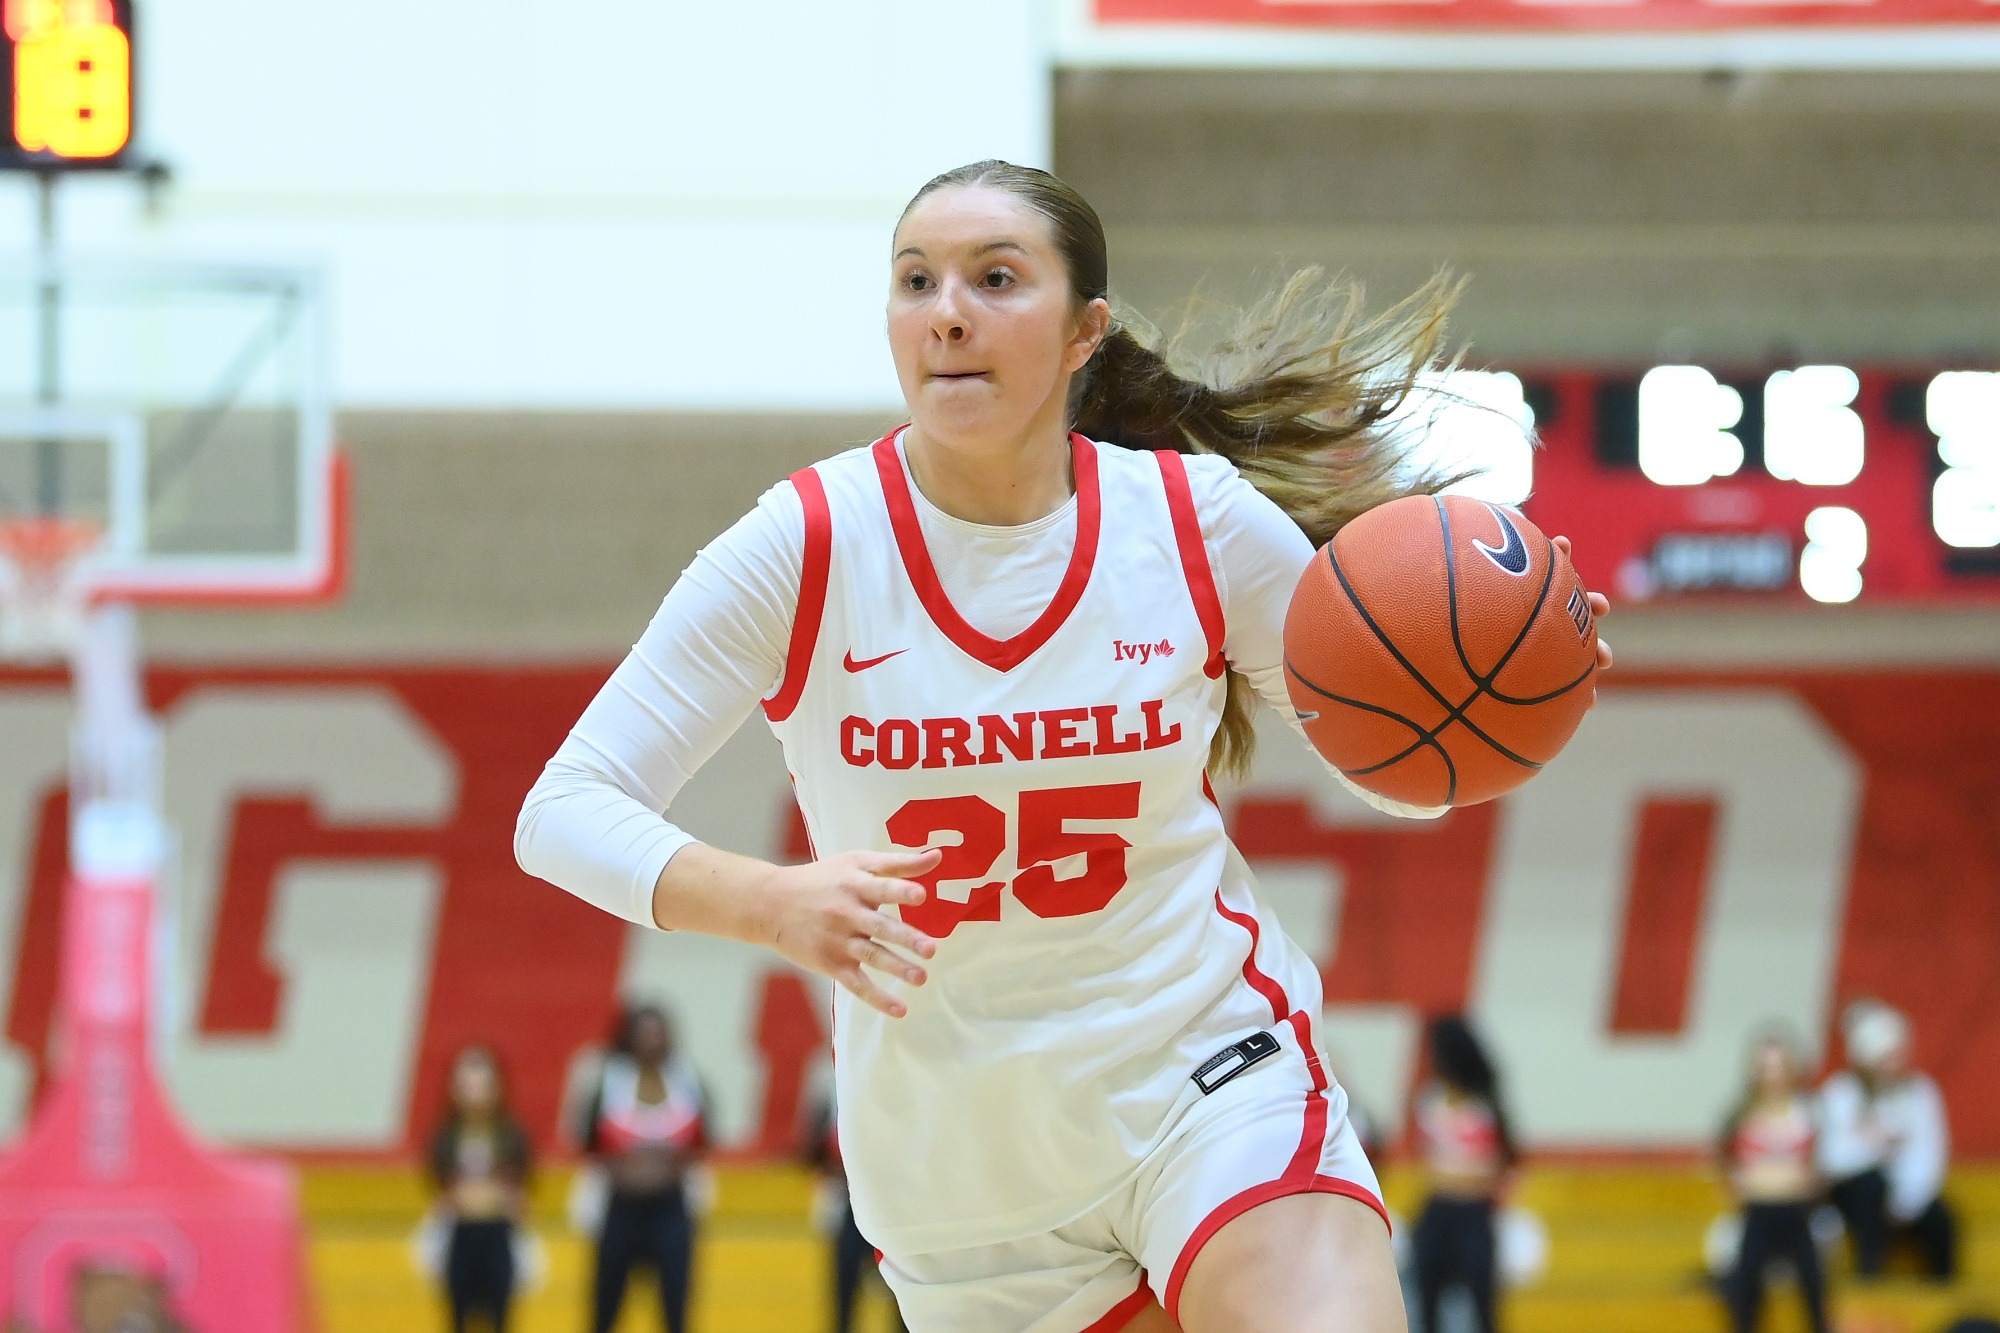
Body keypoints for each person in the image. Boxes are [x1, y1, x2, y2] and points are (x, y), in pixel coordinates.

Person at [516, 158, 1613, 1333]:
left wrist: (1502, 693)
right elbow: (564, 808)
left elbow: (1391, 771)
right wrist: (769, 902)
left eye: (995, 278)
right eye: (915, 280)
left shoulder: (1194, 525)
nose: (946, 310)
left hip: (1204, 1075)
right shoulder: (807, 545)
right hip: (963, 1175)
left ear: (1085, 329)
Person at [576, 1003, 709, 1333]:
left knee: (675, 1309)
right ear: (628, 1036)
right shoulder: (608, 1081)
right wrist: (626, 1170)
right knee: (605, 1307)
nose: (652, 1040)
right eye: (644, 1032)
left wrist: (666, 1169)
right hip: (621, 1209)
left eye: (659, 1032)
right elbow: (588, 1142)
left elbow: (704, 1141)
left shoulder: (688, 1081)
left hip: (671, 1209)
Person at [1817, 999, 1956, 1280]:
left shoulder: (1920, 1093)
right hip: (1852, 1197)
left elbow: (1931, 1153)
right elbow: (1830, 1159)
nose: (1893, 1064)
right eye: (1884, 1057)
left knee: (1941, 1219)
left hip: (1907, 1197)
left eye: (1897, 1055)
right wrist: (1875, 1148)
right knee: (1870, 1187)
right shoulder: (1840, 1094)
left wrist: (1905, 1201)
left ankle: (1942, 1294)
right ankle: (1869, 1280)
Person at [1717, 1032, 1829, 1333]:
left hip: (1798, 1213)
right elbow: (1728, 1172)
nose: (1773, 1076)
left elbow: (1818, 1173)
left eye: (1779, 1066)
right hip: (1757, 1213)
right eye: (1765, 1067)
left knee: (1813, 1277)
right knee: (1745, 1275)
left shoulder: (1810, 1114)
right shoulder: (1739, 1118)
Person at [1409, 1017, 1515, 1333]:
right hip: (1438, 1212)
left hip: (1474, 1214)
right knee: (1426, 1297)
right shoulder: (1431, 1101)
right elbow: (1426, 1160)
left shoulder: (1486, 1105)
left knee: (1483, 1303)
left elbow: (1504, 1162)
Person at [426, 1046, 533, 1333]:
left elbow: (524, 1188)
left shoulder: (512, 1136)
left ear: (497, 1089)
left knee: (500, 1314)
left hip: (498, 1234)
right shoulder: (446, 1138)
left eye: (482, 1086)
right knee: (457, 1314)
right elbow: (438, 1185)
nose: (475, 1095)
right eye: (467, 1086)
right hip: (460, 1234)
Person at [805, 1090, 908, 1333]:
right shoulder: (831, 1091)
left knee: (902, 1289)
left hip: (890, 1200)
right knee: (845, 1287)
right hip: (849, 1202)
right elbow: (810, 1148)